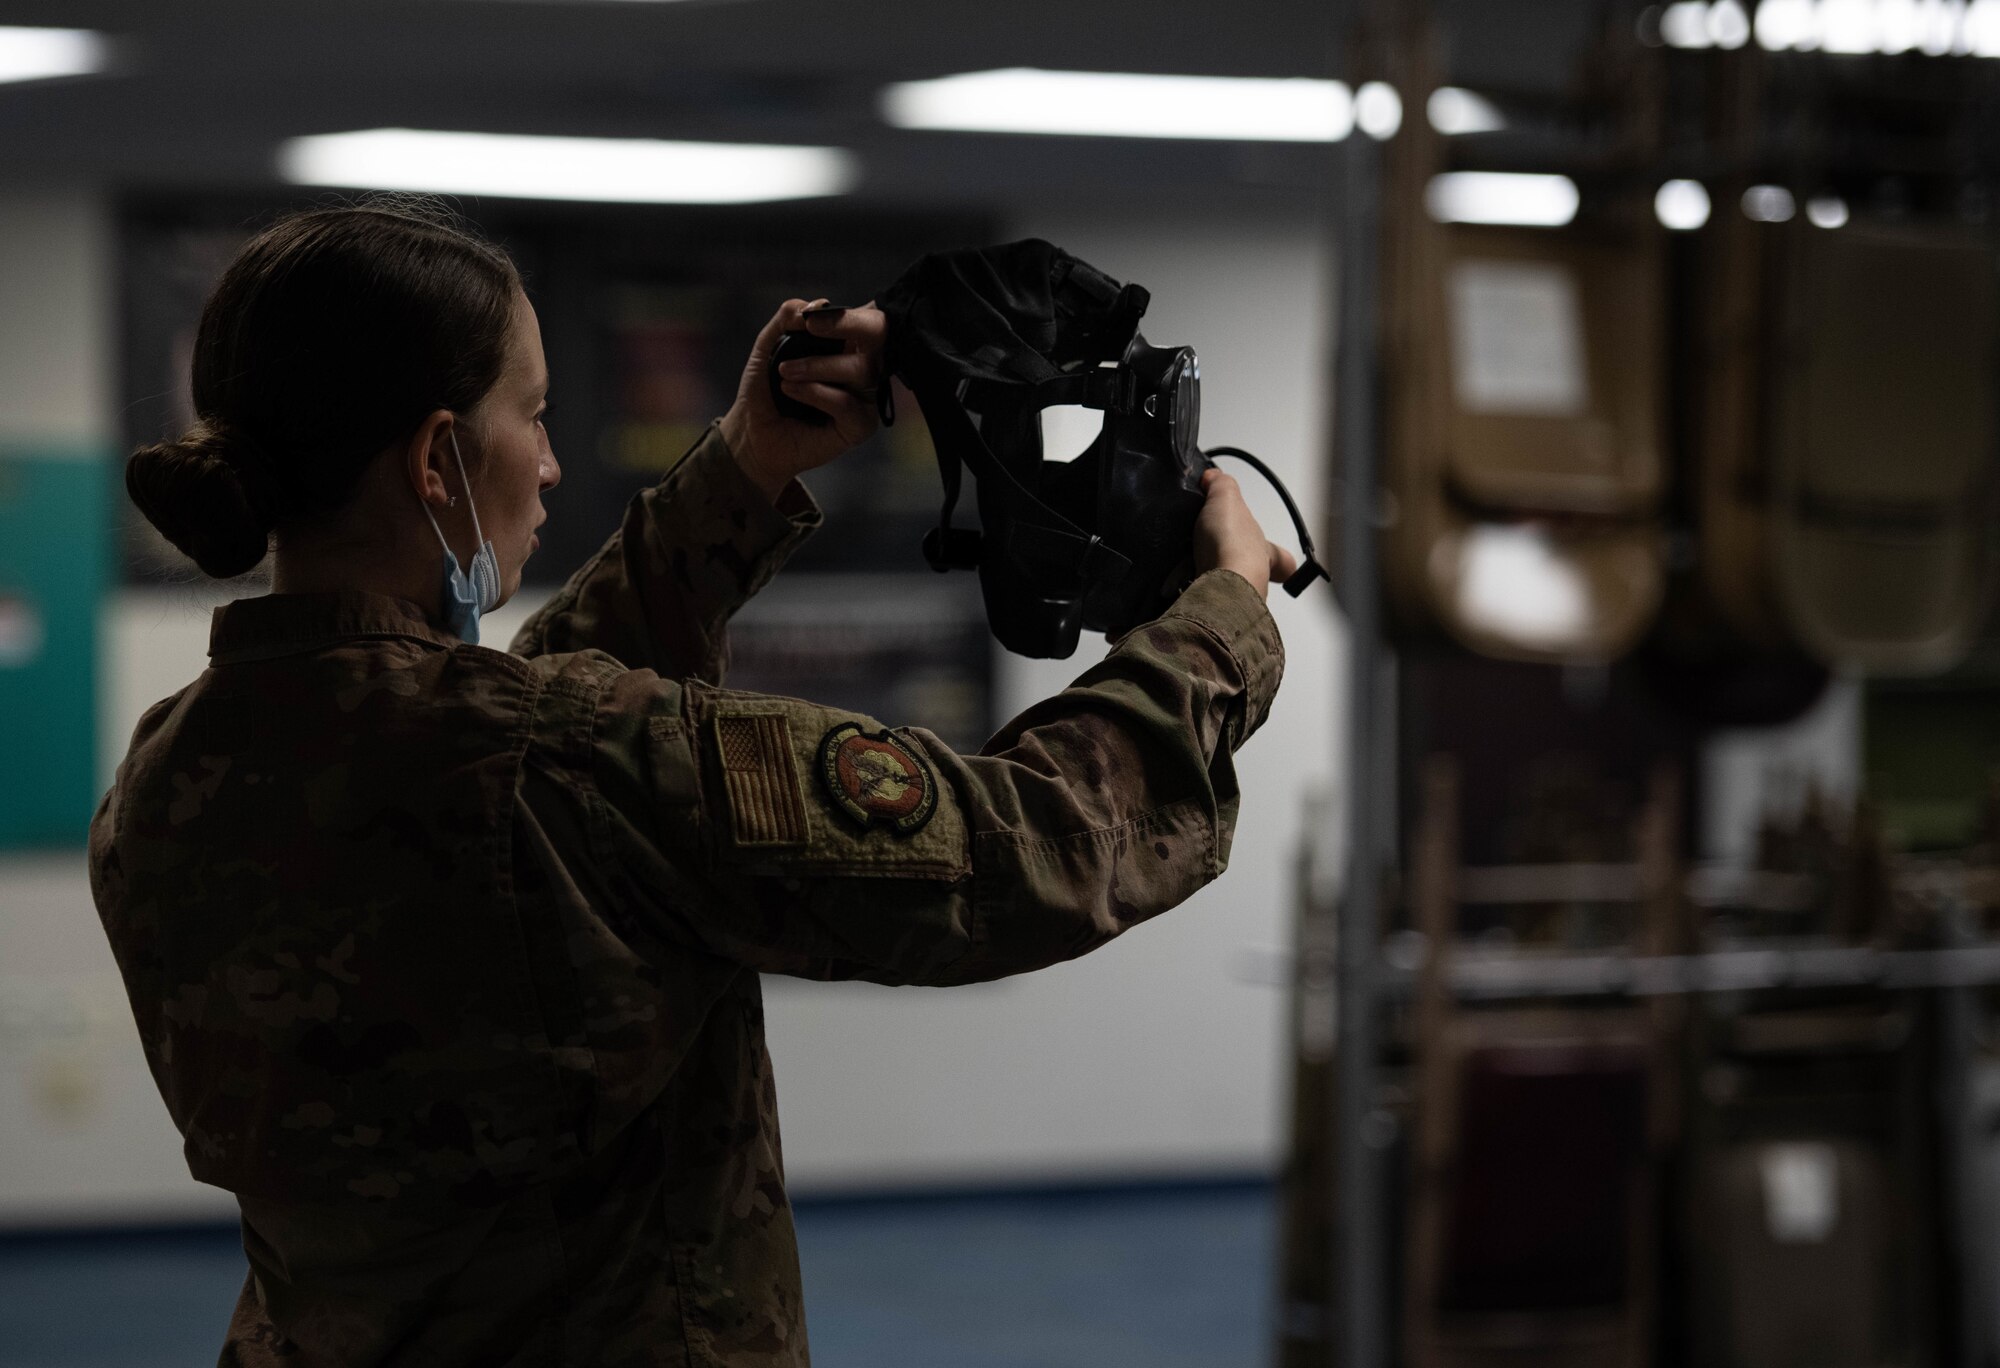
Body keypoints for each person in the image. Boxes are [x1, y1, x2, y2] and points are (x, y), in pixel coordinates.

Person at [89, 200, 1291, 1366]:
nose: (555, 466)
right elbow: (1029, 847)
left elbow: (519, 744)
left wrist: (749, 463)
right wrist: (1218, 620)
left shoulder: (165, 777)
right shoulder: (549, 764)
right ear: (438, 460)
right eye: (536, 416)